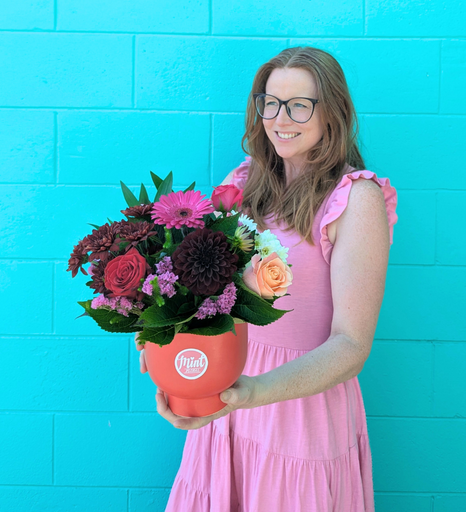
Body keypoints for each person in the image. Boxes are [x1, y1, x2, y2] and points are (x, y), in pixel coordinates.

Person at [136, 46, 398, 512]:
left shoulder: (356, 200)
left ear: (332, 113)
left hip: (299, 413)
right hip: (227, 399)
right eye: (270, 102)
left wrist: (254, 392)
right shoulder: (244, 181)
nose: (280, 118)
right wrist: (169, 355)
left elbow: (351, 345)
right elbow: (205, 298)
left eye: (299, 104)